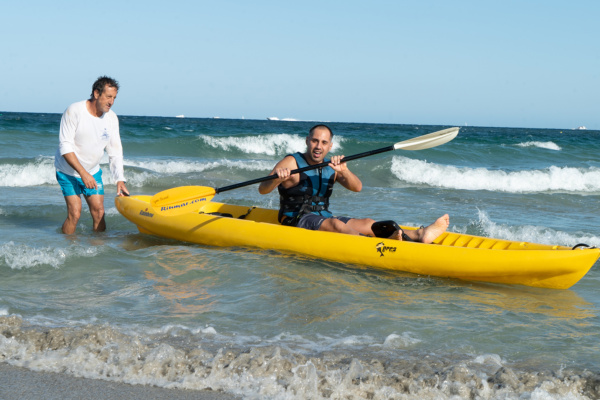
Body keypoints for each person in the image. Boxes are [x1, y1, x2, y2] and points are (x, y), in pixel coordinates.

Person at [258, 124, 449, 243]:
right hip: (297, 220)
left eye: (324, 142)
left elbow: (357, 187)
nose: (318, 146)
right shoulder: (292, 162)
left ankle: (419, 235)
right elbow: (262, 190)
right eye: (314, 141)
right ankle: (374, 244)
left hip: (322, 216)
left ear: (330, 146)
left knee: (367, 223)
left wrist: (344, 171)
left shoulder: (331, 166)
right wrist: (277, 178)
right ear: (307, 141)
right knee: (335, 224)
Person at [54, 76, 129, 234]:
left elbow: (115, 150)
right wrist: (82, 173)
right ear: (96, 93)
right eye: (108, 97)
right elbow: (65, 146)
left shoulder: (111, 118)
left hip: (92, 171)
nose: (111, 102)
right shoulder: (74, 111)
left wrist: (119, 179)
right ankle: (68, 250)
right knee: (75, 214)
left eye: (114, 98)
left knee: (99, 212)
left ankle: (98, 250)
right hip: (68, 171)